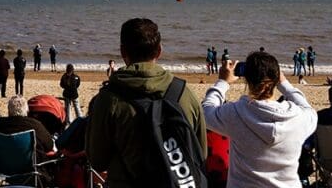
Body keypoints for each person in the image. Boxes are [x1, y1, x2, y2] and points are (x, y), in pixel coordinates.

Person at [86, 18, 207, 186]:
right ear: (159, 51)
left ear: (123, 52)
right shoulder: (184, 93)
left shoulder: (108, 99)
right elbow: (200, 152)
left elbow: (98, 160)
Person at [203, 51, 316, 187]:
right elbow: (308, 108)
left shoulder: (235, 113)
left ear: (247, 79)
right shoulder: (298, 117)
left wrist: (222, 82)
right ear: (276, 78)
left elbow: (206, 111)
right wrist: (284, 84)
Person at [0, 95, 54, 180]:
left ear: (9, 110)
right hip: (30, 170)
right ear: (26, 110)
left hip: (4, 170)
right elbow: (49, 145)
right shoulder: (34, 125)